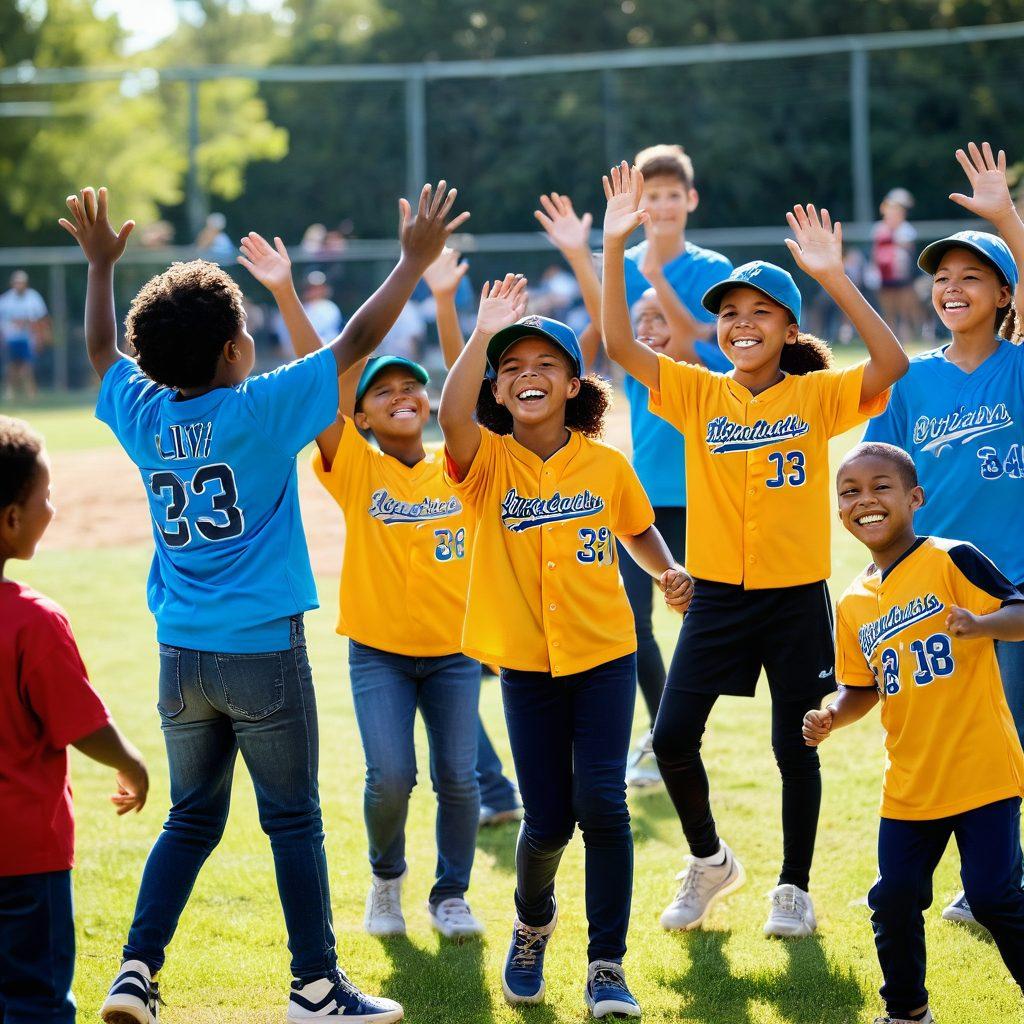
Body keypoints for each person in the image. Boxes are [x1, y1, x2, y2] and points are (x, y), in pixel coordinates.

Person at [58, 181, 465, 1024]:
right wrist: (411, 261)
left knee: (190, 819)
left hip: (181, 657)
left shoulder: (140, 407)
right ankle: (316, 987)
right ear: (235, 352)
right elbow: (356, 341)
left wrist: (100, 267)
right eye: (244, 330)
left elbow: (103, 352)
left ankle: (135, 972)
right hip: (263, 656)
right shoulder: (259, 410)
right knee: (292, 821)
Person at [600, 161, 908, 940]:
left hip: (797, 596)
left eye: (761, 312)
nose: (742, 323)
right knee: (670, 738)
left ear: (787, 328)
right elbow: (616, 345)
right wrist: (612, 248)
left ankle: (794, 888)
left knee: (793, 743)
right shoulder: (701, 389)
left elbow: (892, 366)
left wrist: (836, 277)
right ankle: (709, 861)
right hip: (717, 596)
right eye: (730, 311)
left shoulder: (817, 393)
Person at [439, 275, 692, 1018]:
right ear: (497, 387)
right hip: (526, 664)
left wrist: (668, 571)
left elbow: (638, 529)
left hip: (605, 654)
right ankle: (532, 921)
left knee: (604, 807)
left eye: (544, 364)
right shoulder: (485, 461)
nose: (527, 376)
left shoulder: (605, 464)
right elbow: (452, 413)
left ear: (572, 383)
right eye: (511, 368)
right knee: (548, 820)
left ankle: (607, 965)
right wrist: (483, 330)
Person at [238, 231, 485, 942]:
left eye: (412, 387)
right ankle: (386, 879)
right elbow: (328, 373)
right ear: (364, 418)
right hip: (377, 651)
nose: (401, 396)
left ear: (430, 405)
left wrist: (447, 301)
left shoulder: (461, 467)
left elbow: (466, 380)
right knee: (391, 778)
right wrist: (286, 289)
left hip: (456, 651)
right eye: (383, 392)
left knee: (461, 780)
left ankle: (451, 894)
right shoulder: (354, 467)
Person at [804, 441, 1024, 1024]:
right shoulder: (852, 602)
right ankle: (906, 1012)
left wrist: (981, 623)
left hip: (981, 768)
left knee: (995, 897)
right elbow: (863, 687)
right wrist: (832, 714)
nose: (865, 500)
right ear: (840, 511)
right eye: (849, 492)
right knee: (894, 899)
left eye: (881, 487)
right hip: (909, 782)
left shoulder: (952, 558)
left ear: (915, 497)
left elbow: (1021, 614)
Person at [864, 141, 1024, 927]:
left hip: (1013, 582)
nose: (952, 289)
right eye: (943, 277)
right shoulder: (913, 378)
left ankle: (1000, 881)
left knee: (1011, 735)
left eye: (973, 277)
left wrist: (1005, 217)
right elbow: (882, 476)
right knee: (956, 737)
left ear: (1005, 293)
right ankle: (989, 878)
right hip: (934, 591)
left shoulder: (1020, 367)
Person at [535, 162, 733, 787]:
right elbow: (610, 330)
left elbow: (710, 346)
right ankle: (661, 735)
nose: (666, 205)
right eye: (654, 195)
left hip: (708, 476)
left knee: (705, 618)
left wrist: (653, 279)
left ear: (692, 198)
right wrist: (578, 254)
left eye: (675, 194)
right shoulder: (623, 258)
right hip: (646, 481)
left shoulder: (708, 269)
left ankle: (678, 733)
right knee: (636, 618)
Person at [0, 415, 149, 1024]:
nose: (53, 510)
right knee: (34, 1002)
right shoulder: (33, 622)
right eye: (45, 499)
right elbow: (80, 722)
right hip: (23, 856)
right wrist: (130, 763)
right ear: (11, 519)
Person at [421, 248, 523, 827]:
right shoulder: (472, 435)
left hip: (502, 580)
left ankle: (511, 788)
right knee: (456, 690)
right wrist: (443, 299)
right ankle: (500, 789)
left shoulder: (511, 433)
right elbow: (461, 379)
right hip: (464, 580)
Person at [872, 187, 922, 341]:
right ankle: (892, 340)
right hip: (885, 275)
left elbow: (909, 253)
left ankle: (911, 338)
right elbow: (876, 253)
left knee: (906, 310)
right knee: (889, 312)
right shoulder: (879, 228)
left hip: (903, 275)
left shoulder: (906, 230)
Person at [0, 270, 49, 400]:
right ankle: (10, 392)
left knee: (27, 366)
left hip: (28, 339)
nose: (19, 285)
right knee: (12, 366)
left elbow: (41, 319)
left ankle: (30, 393)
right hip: (11, 339)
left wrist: (41, 337)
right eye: (16, 282)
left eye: (21, 282)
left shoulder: (33, 297)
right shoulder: (6, 300)